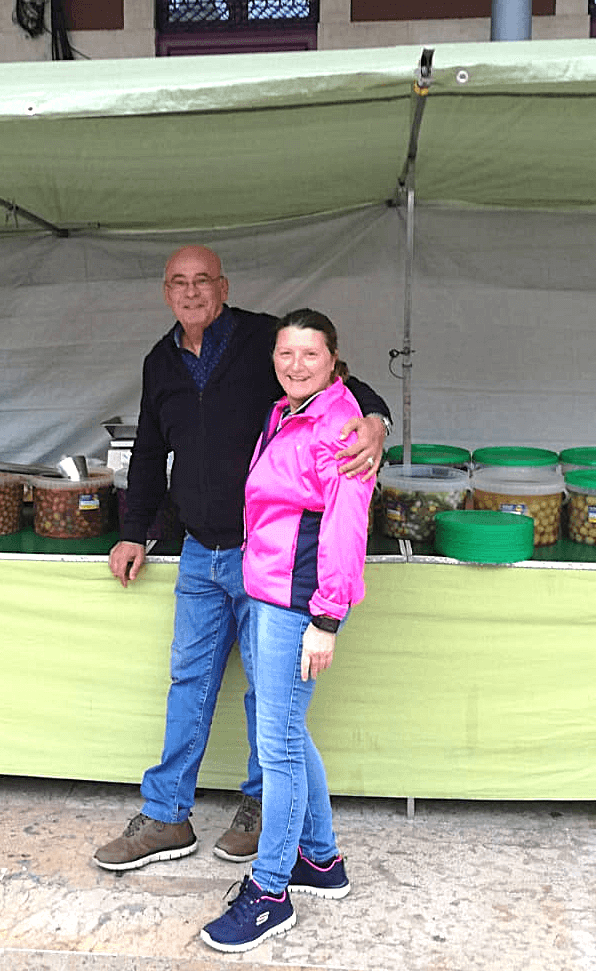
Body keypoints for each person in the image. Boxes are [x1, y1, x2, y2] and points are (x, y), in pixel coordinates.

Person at [93, 246, 391, 872]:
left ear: (223, 286)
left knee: (269, 696)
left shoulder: (263, 339)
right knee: (189, 683)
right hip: (201, 551)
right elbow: (149, 451)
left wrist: (377, 424)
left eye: (203, 280)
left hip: (266, 561)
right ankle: (168, 815)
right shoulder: (160, 361)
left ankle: (260, 810)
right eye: (179, 282)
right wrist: (133, 532)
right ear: (166, 291)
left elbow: (343, 381)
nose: (192, 291)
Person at [201, 308, 371, 953]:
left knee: (276, 748)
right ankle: (320, 862)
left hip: (295, 607)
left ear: (333, 359)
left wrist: (326, 618)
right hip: (268, 592)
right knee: (290, 735)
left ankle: (270, 891)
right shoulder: (288, 410)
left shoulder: (341, 427)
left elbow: (345, 529)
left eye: (309, 354)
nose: (295, 365)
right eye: (285, 353)